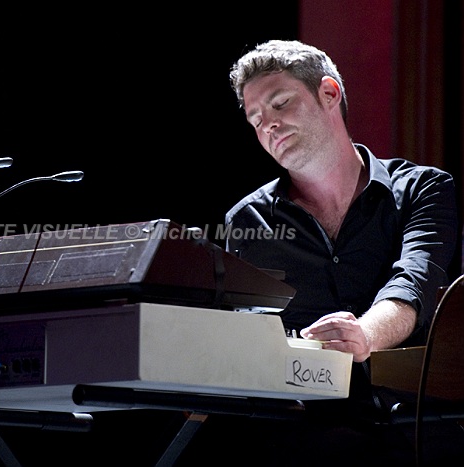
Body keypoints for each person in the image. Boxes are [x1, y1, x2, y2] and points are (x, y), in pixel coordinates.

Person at [192, 39, 459, 465]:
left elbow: (416, 280)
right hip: (306, 433)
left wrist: (364, 335)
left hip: (417, 422)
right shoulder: (247, 220)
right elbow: (245, 335)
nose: (269, 126)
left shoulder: (424, 189)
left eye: (280, 104)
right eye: (256, 120)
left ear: (329, 93)